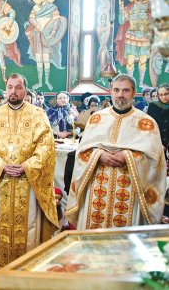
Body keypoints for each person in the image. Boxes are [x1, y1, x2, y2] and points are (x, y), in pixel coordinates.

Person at [0, 73, 58, 273]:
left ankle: (28, 268)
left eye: (18, 87)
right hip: (1, 179)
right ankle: (0, 268)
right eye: (10, 87)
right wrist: (0, 165)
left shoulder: (38, 114)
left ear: (25, 90)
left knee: (29, 226)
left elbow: (46, 147)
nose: (13, 91)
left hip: (28, 182)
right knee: (0, 226)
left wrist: (27, 166)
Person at [66, 75, 167, 230]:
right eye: (117, 90)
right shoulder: (97, 119)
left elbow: (155, 160)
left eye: (126, 90)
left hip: (130, 190)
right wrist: (100, 155)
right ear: (111, 91)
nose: (120, 95)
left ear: (134, 93)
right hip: (97, 188)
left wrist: (127, 156)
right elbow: (81, 153)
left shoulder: (146, 123)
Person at [25, 0, 66, 90]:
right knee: (39, 59)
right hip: (38, 35)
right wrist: (36, 25)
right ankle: (39, 82)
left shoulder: (52, 7)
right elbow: (31, 18)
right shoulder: (36, 8)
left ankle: (47, 81)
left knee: (46, 59)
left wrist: (52, 33)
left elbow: (57, 20)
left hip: (47, 36)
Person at [115, 0, 152, 87]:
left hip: (144, 37)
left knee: (142, 61)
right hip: (131, 36)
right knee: (130, 61)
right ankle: (129, 83)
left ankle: (140, 83)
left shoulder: (149, 5)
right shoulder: (131, 5)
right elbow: (122, 20)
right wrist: (121, 7)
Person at [147, 83, 168, 157]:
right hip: (158, 142)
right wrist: (158, 144)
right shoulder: (153, 106)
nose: (164, 97)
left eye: (166, 94)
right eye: (161, 95)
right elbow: (149, 127)